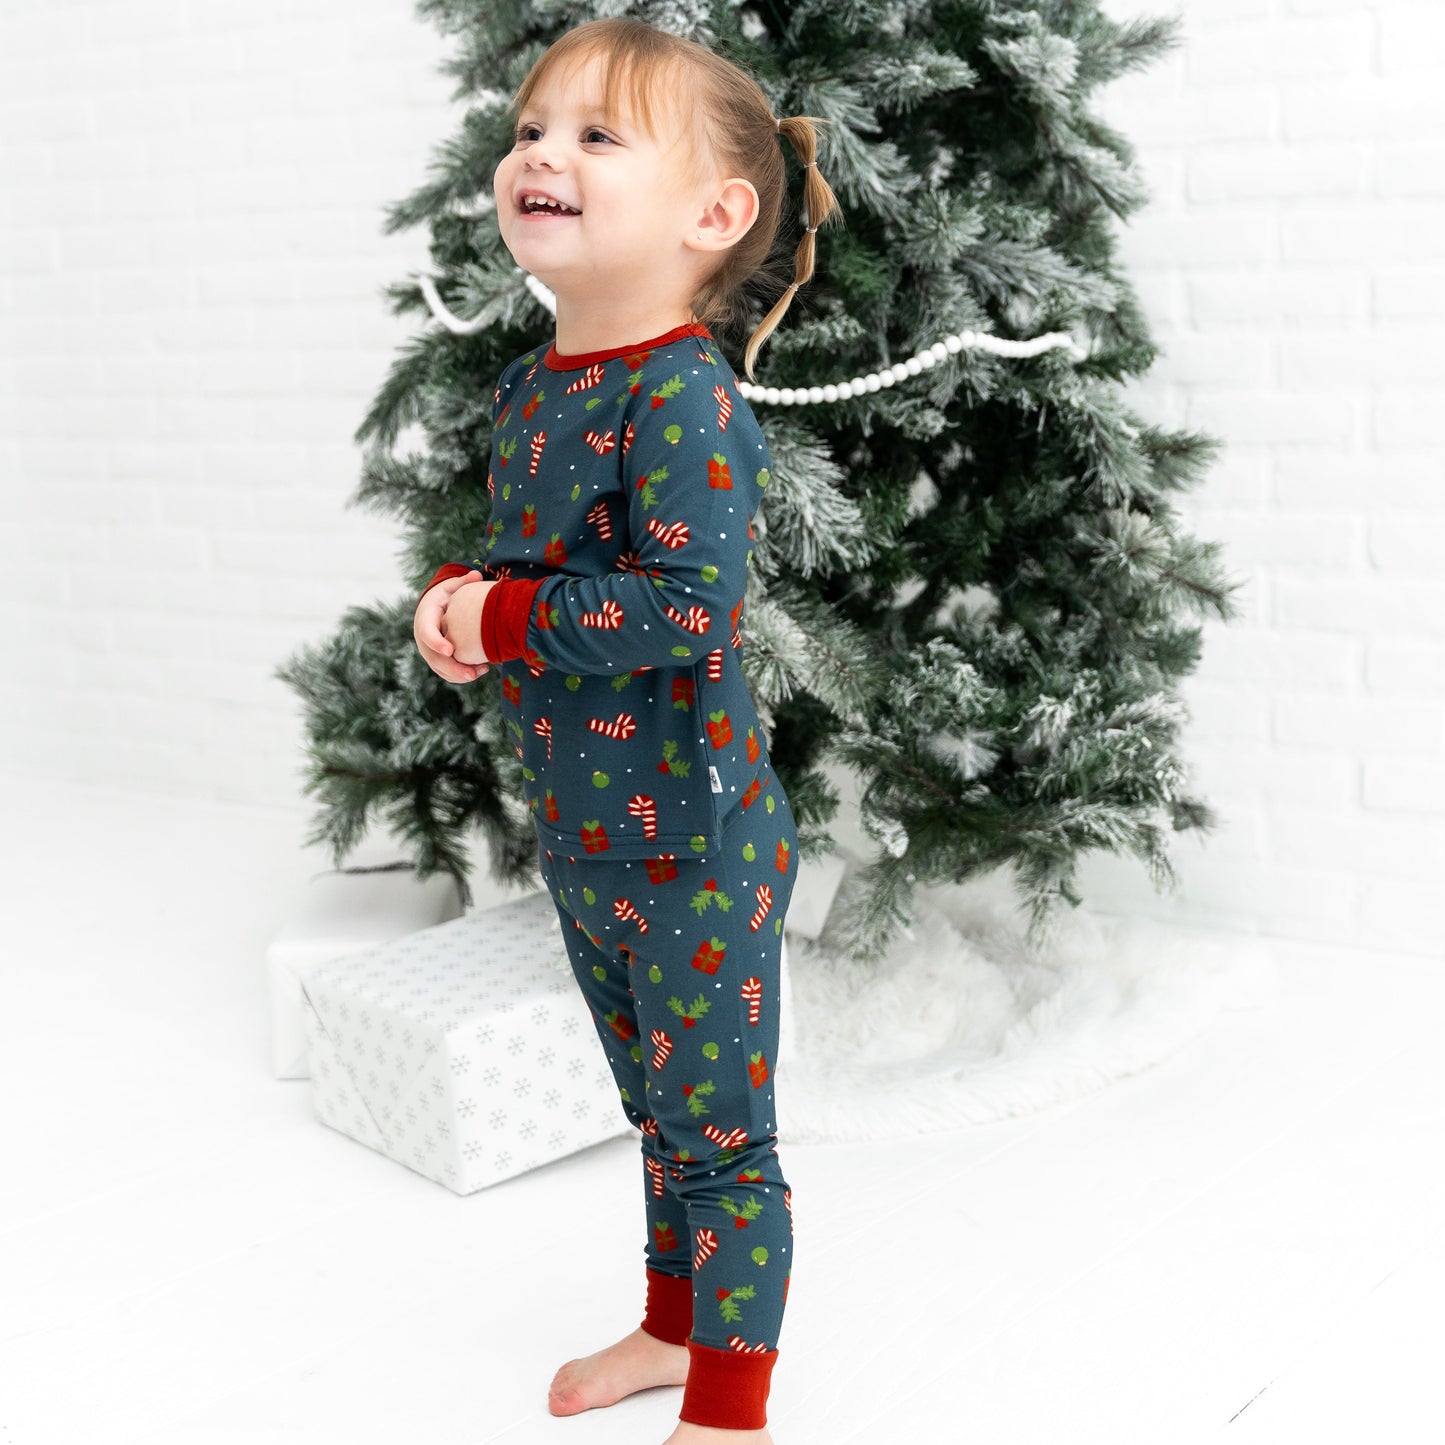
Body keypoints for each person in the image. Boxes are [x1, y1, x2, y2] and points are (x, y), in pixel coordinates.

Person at [411, 17, 842, 1443]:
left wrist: (508, 618)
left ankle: (730, 1405)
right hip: (586, 830)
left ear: (711, 216)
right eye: (532, 129)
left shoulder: (681, 393)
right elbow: (532, 572)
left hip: (695, 843)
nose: (542, 153)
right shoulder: (536, 387)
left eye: (598, 135)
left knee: (718, 1138)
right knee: (654, 1114)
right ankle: (671, 1327)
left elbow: (686, 604)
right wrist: (463, 602)